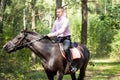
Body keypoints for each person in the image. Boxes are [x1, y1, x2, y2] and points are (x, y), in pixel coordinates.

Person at [47, 7, 77, 72]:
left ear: (63, 13)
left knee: (66, 49)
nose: (57, 13)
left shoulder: (66, 20)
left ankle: (71, 65)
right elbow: (53, 31)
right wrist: (47, 35)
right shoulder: (55, 21)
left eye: (59, 12)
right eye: (57, 12)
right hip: (58, 39)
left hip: (66, 39)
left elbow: (62, 30)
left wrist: (52, 34)